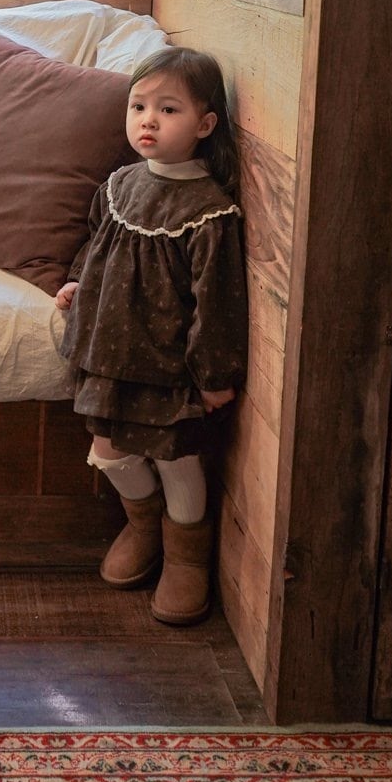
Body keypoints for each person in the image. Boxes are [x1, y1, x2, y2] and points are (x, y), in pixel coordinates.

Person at [56, 45, 248, 625]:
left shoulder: (209, 211)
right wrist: (76, 282)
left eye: (168, 110)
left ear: (204, 125)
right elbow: (96, 244)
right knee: (109, 451)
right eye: (139, 106)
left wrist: (213, 377)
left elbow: (218, 304)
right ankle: (144, 527)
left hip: (166, 365)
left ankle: (186, 556)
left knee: (176, 460)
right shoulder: (120, 185)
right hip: (110, 355)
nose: (148, 120)